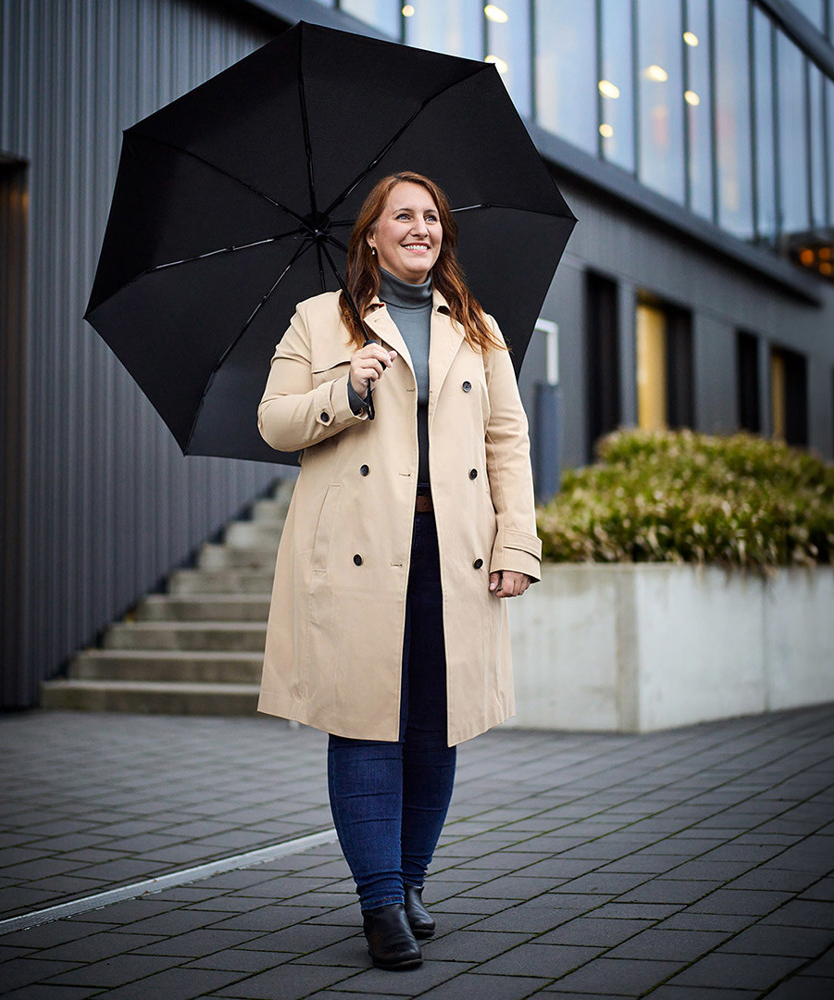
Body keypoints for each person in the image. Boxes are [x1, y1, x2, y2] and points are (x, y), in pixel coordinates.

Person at [256, 171, 540, 970]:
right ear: (372, 236)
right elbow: (273, 422)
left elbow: (508, 442)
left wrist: (517, 544)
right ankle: (380, 902)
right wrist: (344, 389)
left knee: (435, 723)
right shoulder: (319, 319)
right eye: (403, 216)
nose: (421, 227)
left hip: (453, 550)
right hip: (355, 551)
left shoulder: (478, 327)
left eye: (432, 216)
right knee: (363, 720)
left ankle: (412, 881)